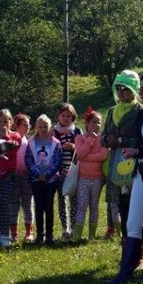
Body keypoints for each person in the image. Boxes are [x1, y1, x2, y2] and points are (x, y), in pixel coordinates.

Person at [105, 72, 143, 284]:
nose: (140, 92)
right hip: (138, 172)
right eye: (139, 88)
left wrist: (136, 150)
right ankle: (125, 273)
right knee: (132, 222)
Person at [102, 70, 143, 240]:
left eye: (126, 88)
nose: (121, 92)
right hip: (114, 164)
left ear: (134, 90)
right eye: (118, 88)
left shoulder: (140, 111)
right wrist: (107, 139)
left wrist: (120, 140)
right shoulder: (112, 111)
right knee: (119, 204)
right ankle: (126, 243)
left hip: (132, 161)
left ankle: (136, 245)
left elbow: (142, 140)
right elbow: (102, 137)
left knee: (134, 205)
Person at [25, 115, 63, 245]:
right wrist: (37, 174)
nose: (43, 129)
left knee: (48, 206)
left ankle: (49, 235)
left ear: (50, 127)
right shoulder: (31, 142)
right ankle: (39, 235)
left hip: (51, 180)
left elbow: (58, 161)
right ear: (36, 127)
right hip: (36, 180)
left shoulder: (55, 143)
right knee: (39, 206)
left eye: (45, 126)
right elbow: (28, 160)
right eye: (40, 126)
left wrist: (47, 174)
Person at [73, 108, 108, 241]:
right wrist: (90, 140)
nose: (97, 125)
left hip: (97, 179)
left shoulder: (103, 139)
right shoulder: (79, 138)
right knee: (82, 206)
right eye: (94, 122)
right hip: (83, 178)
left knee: (94, 207)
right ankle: (77, 236)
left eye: (99, 122)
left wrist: (87, 157)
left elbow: (103, 155)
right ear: (86, 124)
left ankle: (92, 236)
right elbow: (80, 154)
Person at [0, 109, 21, 247]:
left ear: (11, 122)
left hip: (8, 175)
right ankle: (1, 235)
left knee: (3, 203)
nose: (3, 124)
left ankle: (6, 237)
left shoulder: (15, 136)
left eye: (6, 120)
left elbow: (13, 149)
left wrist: (5, 137)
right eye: (0, 121)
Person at [54, 103, 81, 241]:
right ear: (58, 116)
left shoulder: (77, 131)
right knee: (61, 199)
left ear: (73, 117)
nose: (65, 118)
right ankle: (65, 229)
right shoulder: (54, 131)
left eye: (68, 116)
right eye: (63, 115)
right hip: (59, 170)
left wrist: (73, 147)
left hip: (74, 169)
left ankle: (75, 228)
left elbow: (82, 149)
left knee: (74, 199)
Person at [11, 113, 35, 242]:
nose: (28, 127)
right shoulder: (11, 139)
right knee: (13, 204)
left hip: (27, 176)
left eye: (29, 125)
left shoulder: (29, 140)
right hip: (13, 176)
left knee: (28, 204)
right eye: (25, 125)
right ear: (17, 126)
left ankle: (29, 232)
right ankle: (14, 233)